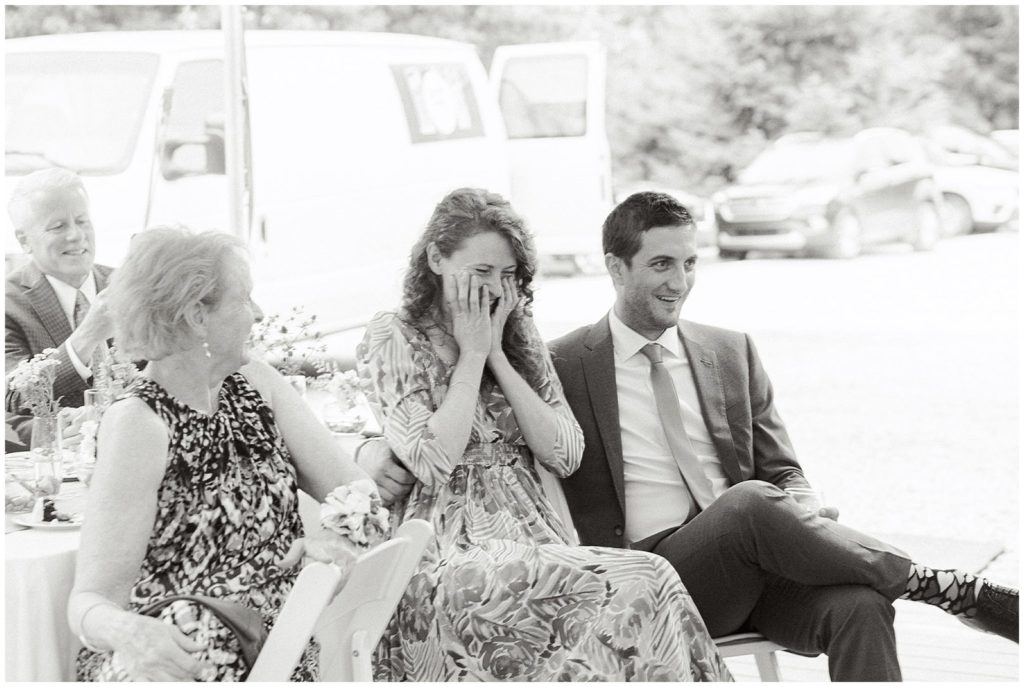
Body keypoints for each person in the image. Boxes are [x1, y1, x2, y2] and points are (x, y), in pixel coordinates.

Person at [545, 191, 1019, 681]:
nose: (679, 281)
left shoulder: (730, 351)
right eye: (661, 264)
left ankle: (926, 585)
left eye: (689, 263)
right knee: (748, 503)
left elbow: (783, 470)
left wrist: (800, 507)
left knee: (859, 606)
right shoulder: (562, 365)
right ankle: (935, 585)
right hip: (653, 586)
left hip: (761, 570)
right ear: (616, 268)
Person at [354, 187, 731, 681]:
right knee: (645, 575)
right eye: (481, 272)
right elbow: (431, 460)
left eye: (508, 275)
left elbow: (566, 452)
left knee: (646, 589)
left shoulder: (516, 334)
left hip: (534, 539)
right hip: (445, 552)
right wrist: (469, 356)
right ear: (436, 259)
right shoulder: (393, 335)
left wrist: (496, 356)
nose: (494, 289)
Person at [66, 227, 378, 681]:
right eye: (244, 298)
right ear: (196, 315)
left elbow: (359, 492)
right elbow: (89, 603)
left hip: (277, 648)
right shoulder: (139, 422)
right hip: (181, 655)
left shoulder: (259, 385)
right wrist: (130, 633)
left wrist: (337, 539)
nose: (257, 312)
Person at [5, 168, 115, 444]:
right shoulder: (9, 303)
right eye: (58, 227)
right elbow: (15, 399)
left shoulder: (126, 285)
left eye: (82, 221)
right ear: (24, 241)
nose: (76, 235)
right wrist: (87, 335)